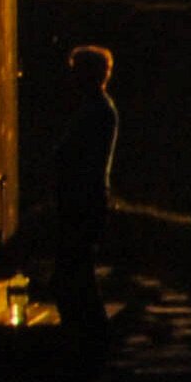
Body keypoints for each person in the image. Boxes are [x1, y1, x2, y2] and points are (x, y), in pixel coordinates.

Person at [46, 43, 120, 358]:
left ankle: (89, 340)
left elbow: (73, 157)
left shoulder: (96, 111)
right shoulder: (98, 109)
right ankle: (89, 339)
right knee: (77, 271)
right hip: (84, 198)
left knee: (74, 273)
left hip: (82, 200)